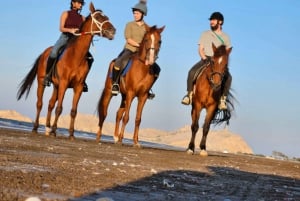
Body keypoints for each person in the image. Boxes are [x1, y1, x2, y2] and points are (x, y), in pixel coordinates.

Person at [181, 12, 232, 110]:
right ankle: (189, 95)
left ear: (220, 22)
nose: (211, 22)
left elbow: (227, 54)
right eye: (211, 20)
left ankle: (222, 100)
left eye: (213, 20)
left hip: (219, 63)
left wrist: (222, 64)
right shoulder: (205, 33)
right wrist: (204, 58)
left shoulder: (226, 37)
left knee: (229, 78)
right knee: (191, 72)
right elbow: (200, 49)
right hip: (206, 58)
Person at [111, 0, 157, 99]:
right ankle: (115, 84)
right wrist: (138, 45)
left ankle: (147, 89)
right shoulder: (129, 24)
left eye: (137, 13)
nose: (135, 15)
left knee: (157, 69)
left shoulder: (147, 27)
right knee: (119, 62)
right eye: (134, 13)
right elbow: (128, 39)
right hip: (130, 49)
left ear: (142, 14)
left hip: (142, 53)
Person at [43, 0, 93, 92]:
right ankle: (47, 76)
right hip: (65, 37)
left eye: (81, 3)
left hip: (76, 40)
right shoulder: (65, 13)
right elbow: (61, 28)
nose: (80, 5)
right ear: (73, 3)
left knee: (90, 58)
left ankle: (83, 81)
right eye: (78, 2)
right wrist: (71, 30)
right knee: (54, 52)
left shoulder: (82, 18)